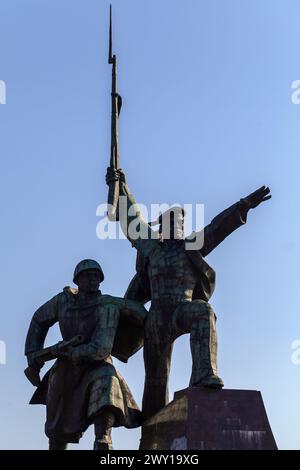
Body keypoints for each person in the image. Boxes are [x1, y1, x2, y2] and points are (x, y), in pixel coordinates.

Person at [106, 168, 271, 420]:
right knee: (156, 379)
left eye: (180, 222)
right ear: (164, 225)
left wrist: (243, 206)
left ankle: (204, 374)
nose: (176, 225)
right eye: (171, 221)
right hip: (157, 317)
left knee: (203, 311)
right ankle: (153, 424)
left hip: (183, 308)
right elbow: (132, 221)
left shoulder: (192, 245)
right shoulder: (152, 248)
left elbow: (218, 227)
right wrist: (121, 187)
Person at [25, 259, 148, 450]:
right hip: (66, 368)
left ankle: (103, 438)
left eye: (97, 276)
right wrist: (33, 356)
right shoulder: (62, 301)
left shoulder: (108, 305)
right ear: (78, 279)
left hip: (97, 363)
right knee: (57, 427)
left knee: (108, 384)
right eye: (88, 275)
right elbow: (38, 320)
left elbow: (103, 346)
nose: (93, 279)